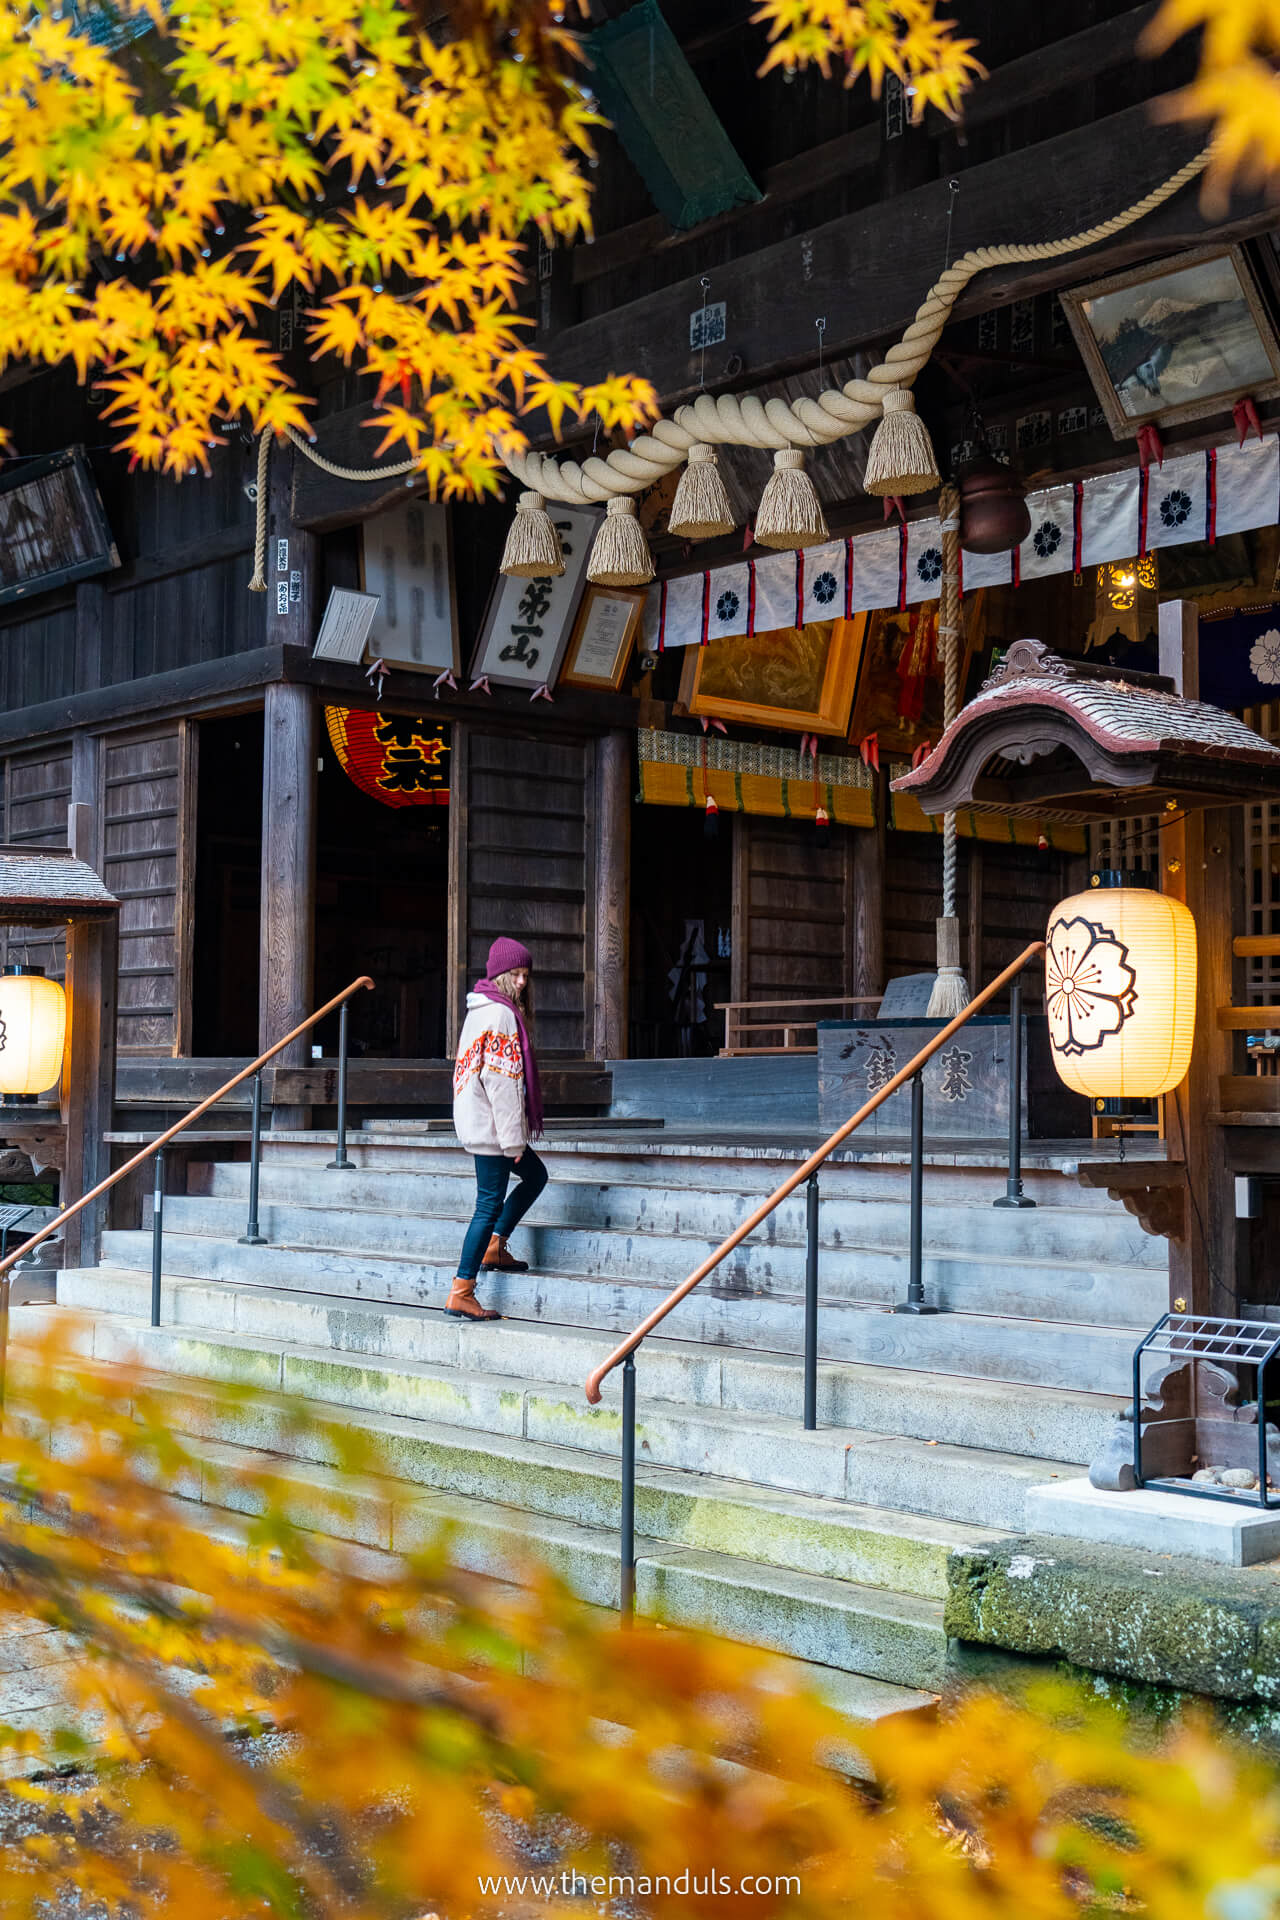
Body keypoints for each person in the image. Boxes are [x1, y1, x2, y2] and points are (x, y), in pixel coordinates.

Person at [447, 936, 548, 1321]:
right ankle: (462, 1290)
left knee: (536, 1176)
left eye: (525, 975)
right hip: (494, 1128)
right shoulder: (502, 1015)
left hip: (480, 1121)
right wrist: (513, 1141)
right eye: (515, 974)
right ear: (499, 974)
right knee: (487, 1205)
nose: (522, 981)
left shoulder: (480, 1009)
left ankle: (495, 1245)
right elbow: (503, 1083)